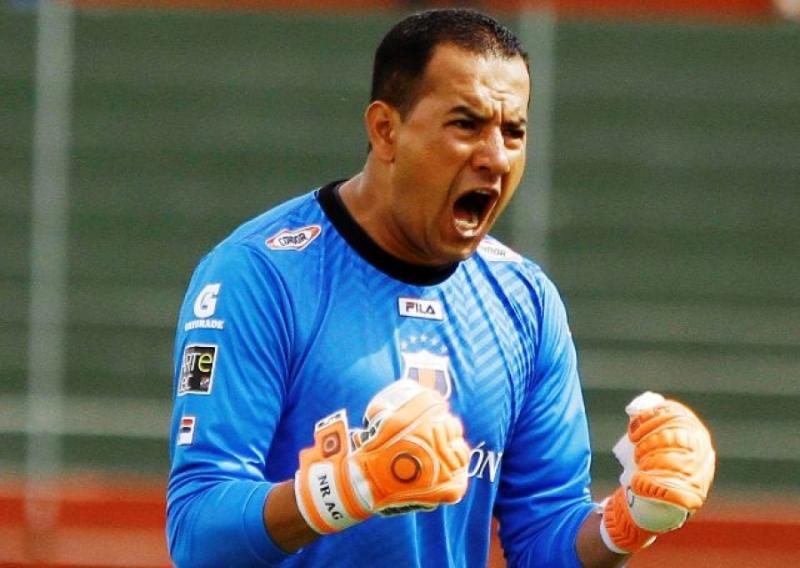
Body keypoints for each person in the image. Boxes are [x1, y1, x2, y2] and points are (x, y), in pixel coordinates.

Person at [166, 8, 715, 567]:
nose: (496, 156)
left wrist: (631, 520)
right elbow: (197, 530)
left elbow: (545, 533)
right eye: (466, 125)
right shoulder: (260, 275)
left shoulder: (525, 302)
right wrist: (348, 488)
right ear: (386, 130)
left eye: (514, 131)